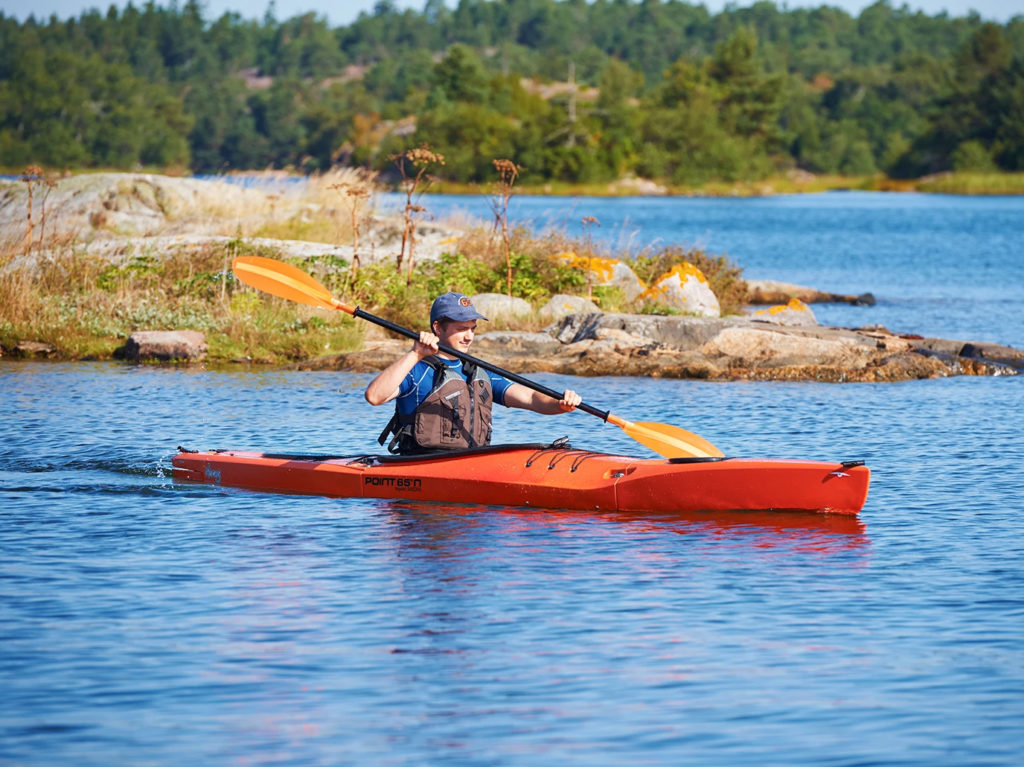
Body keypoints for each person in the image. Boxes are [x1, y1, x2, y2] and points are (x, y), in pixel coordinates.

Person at [366, 291, 581, 454]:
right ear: (438, 328)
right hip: (419, 465)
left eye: (473, 328)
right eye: (461, 329)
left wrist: (559, 404)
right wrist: (415, 354)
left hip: (471, 462)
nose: (469, 336)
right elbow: (374, 397)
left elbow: (532, 398)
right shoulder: (417, 370)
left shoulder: (480, 373)